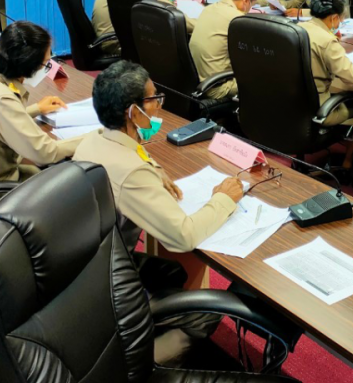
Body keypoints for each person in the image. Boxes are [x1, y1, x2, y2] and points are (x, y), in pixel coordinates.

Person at [73, 61, 244, 364]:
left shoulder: (93, 139)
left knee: (173, 272)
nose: (158, 106)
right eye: (153, 99)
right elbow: (184, 236)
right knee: (207, 313)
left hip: (86, 271)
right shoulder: (130, 172)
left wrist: (154, 168)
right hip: (108, 286)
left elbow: (133, 153)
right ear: (132, 112)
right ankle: (136, 364)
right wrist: (223, 199)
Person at [0, 21, 78, 186]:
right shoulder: (1, 99)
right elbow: (45, 153)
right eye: (45, 64)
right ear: (29, 64)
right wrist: (97, 135)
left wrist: (36, 109)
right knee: (70, 184)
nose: (47, 68)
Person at [298, 0, 353, 127]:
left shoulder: (298, 28)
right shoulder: (327, 41)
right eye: (341, 19)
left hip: (294, 102)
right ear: (334, 17)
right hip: (317, 108)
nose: (340, 22)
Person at [189, 0, 259, 99]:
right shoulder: (237, 19)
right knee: (267, 79)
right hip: (217, 87)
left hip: (197, 80)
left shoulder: (208, 9)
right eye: (251, 6)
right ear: (246, 1)